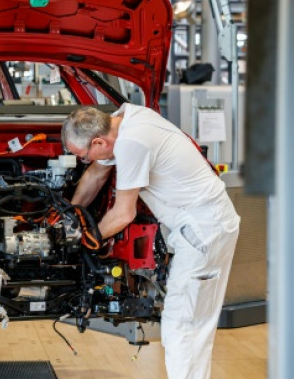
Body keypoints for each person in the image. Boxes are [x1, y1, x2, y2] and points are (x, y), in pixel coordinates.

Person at [62, 104, 240, 379]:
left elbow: (124, 213)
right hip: (199, 225)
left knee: (184, 325)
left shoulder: (132, 142)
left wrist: (87, 239)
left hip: (204, 232)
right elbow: (96, 174)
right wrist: (68, 218)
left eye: (82, 155)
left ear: (98, 141)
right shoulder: (124, 118)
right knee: (191, 324)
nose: (85, 160)